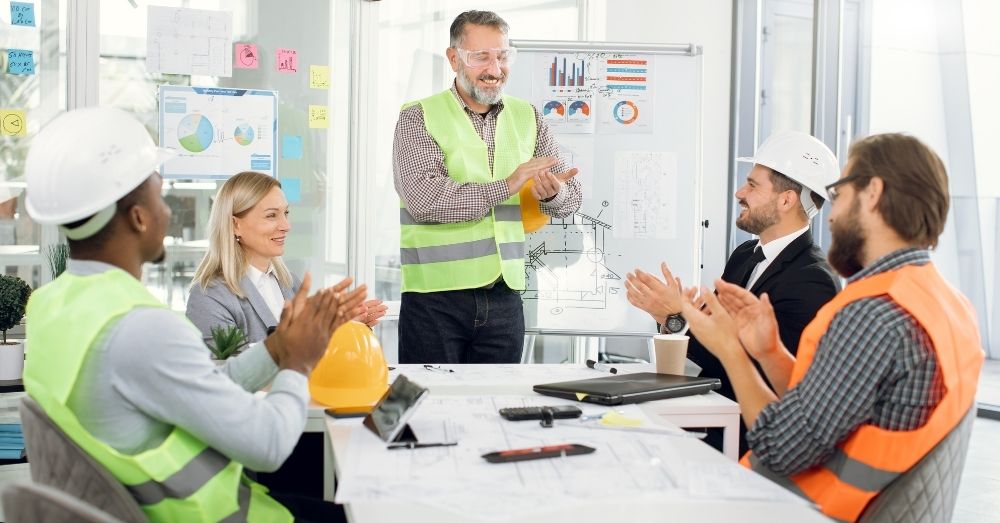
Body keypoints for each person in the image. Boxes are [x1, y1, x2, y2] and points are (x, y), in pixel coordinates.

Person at [22, 107, 366, 522]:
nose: (170, 212)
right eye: (161, 196)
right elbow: (269, 445)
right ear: (139, 216)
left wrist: (276, 350)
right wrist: (299, 362)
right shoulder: (142, 326)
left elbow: (200, 384)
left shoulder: (52, 305)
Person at [680, 133, 984, 522]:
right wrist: (770, 352)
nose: (833, 214)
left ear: (872, 193)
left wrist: (730, 349)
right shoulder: (945, 302)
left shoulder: (874, 313)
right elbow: (830, 407)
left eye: (839, 194)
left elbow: (777, 447)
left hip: (810, 508)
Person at [625, 131, 841, 452]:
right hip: (713, 419)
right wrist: (674, 317)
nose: (740, 192)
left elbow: (765, 377)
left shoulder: (812, 281)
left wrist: (679, 315)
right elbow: (714, 355)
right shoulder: (745, 255)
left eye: (753, 185)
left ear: (786, 200)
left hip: (752, 442)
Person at [393, 10, 582, 364]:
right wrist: (509, 184)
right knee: (433, 410)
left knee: (500, 406)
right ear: (454, 58)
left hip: (504, 296)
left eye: (502, 55)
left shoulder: (529, 116)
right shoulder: (418, 115)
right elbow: (424, 200)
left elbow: (571, 197)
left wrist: (554, 194)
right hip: (435, 297)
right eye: (481, 56)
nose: (495, 68)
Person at [187, 171, 387, 345]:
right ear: (234, 225)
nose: (286, 225)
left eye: (286, 213)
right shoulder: (209, 296)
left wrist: (340, 327)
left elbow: (310, 353)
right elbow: (229, 372)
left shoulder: (289, 284)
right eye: (271, 215)